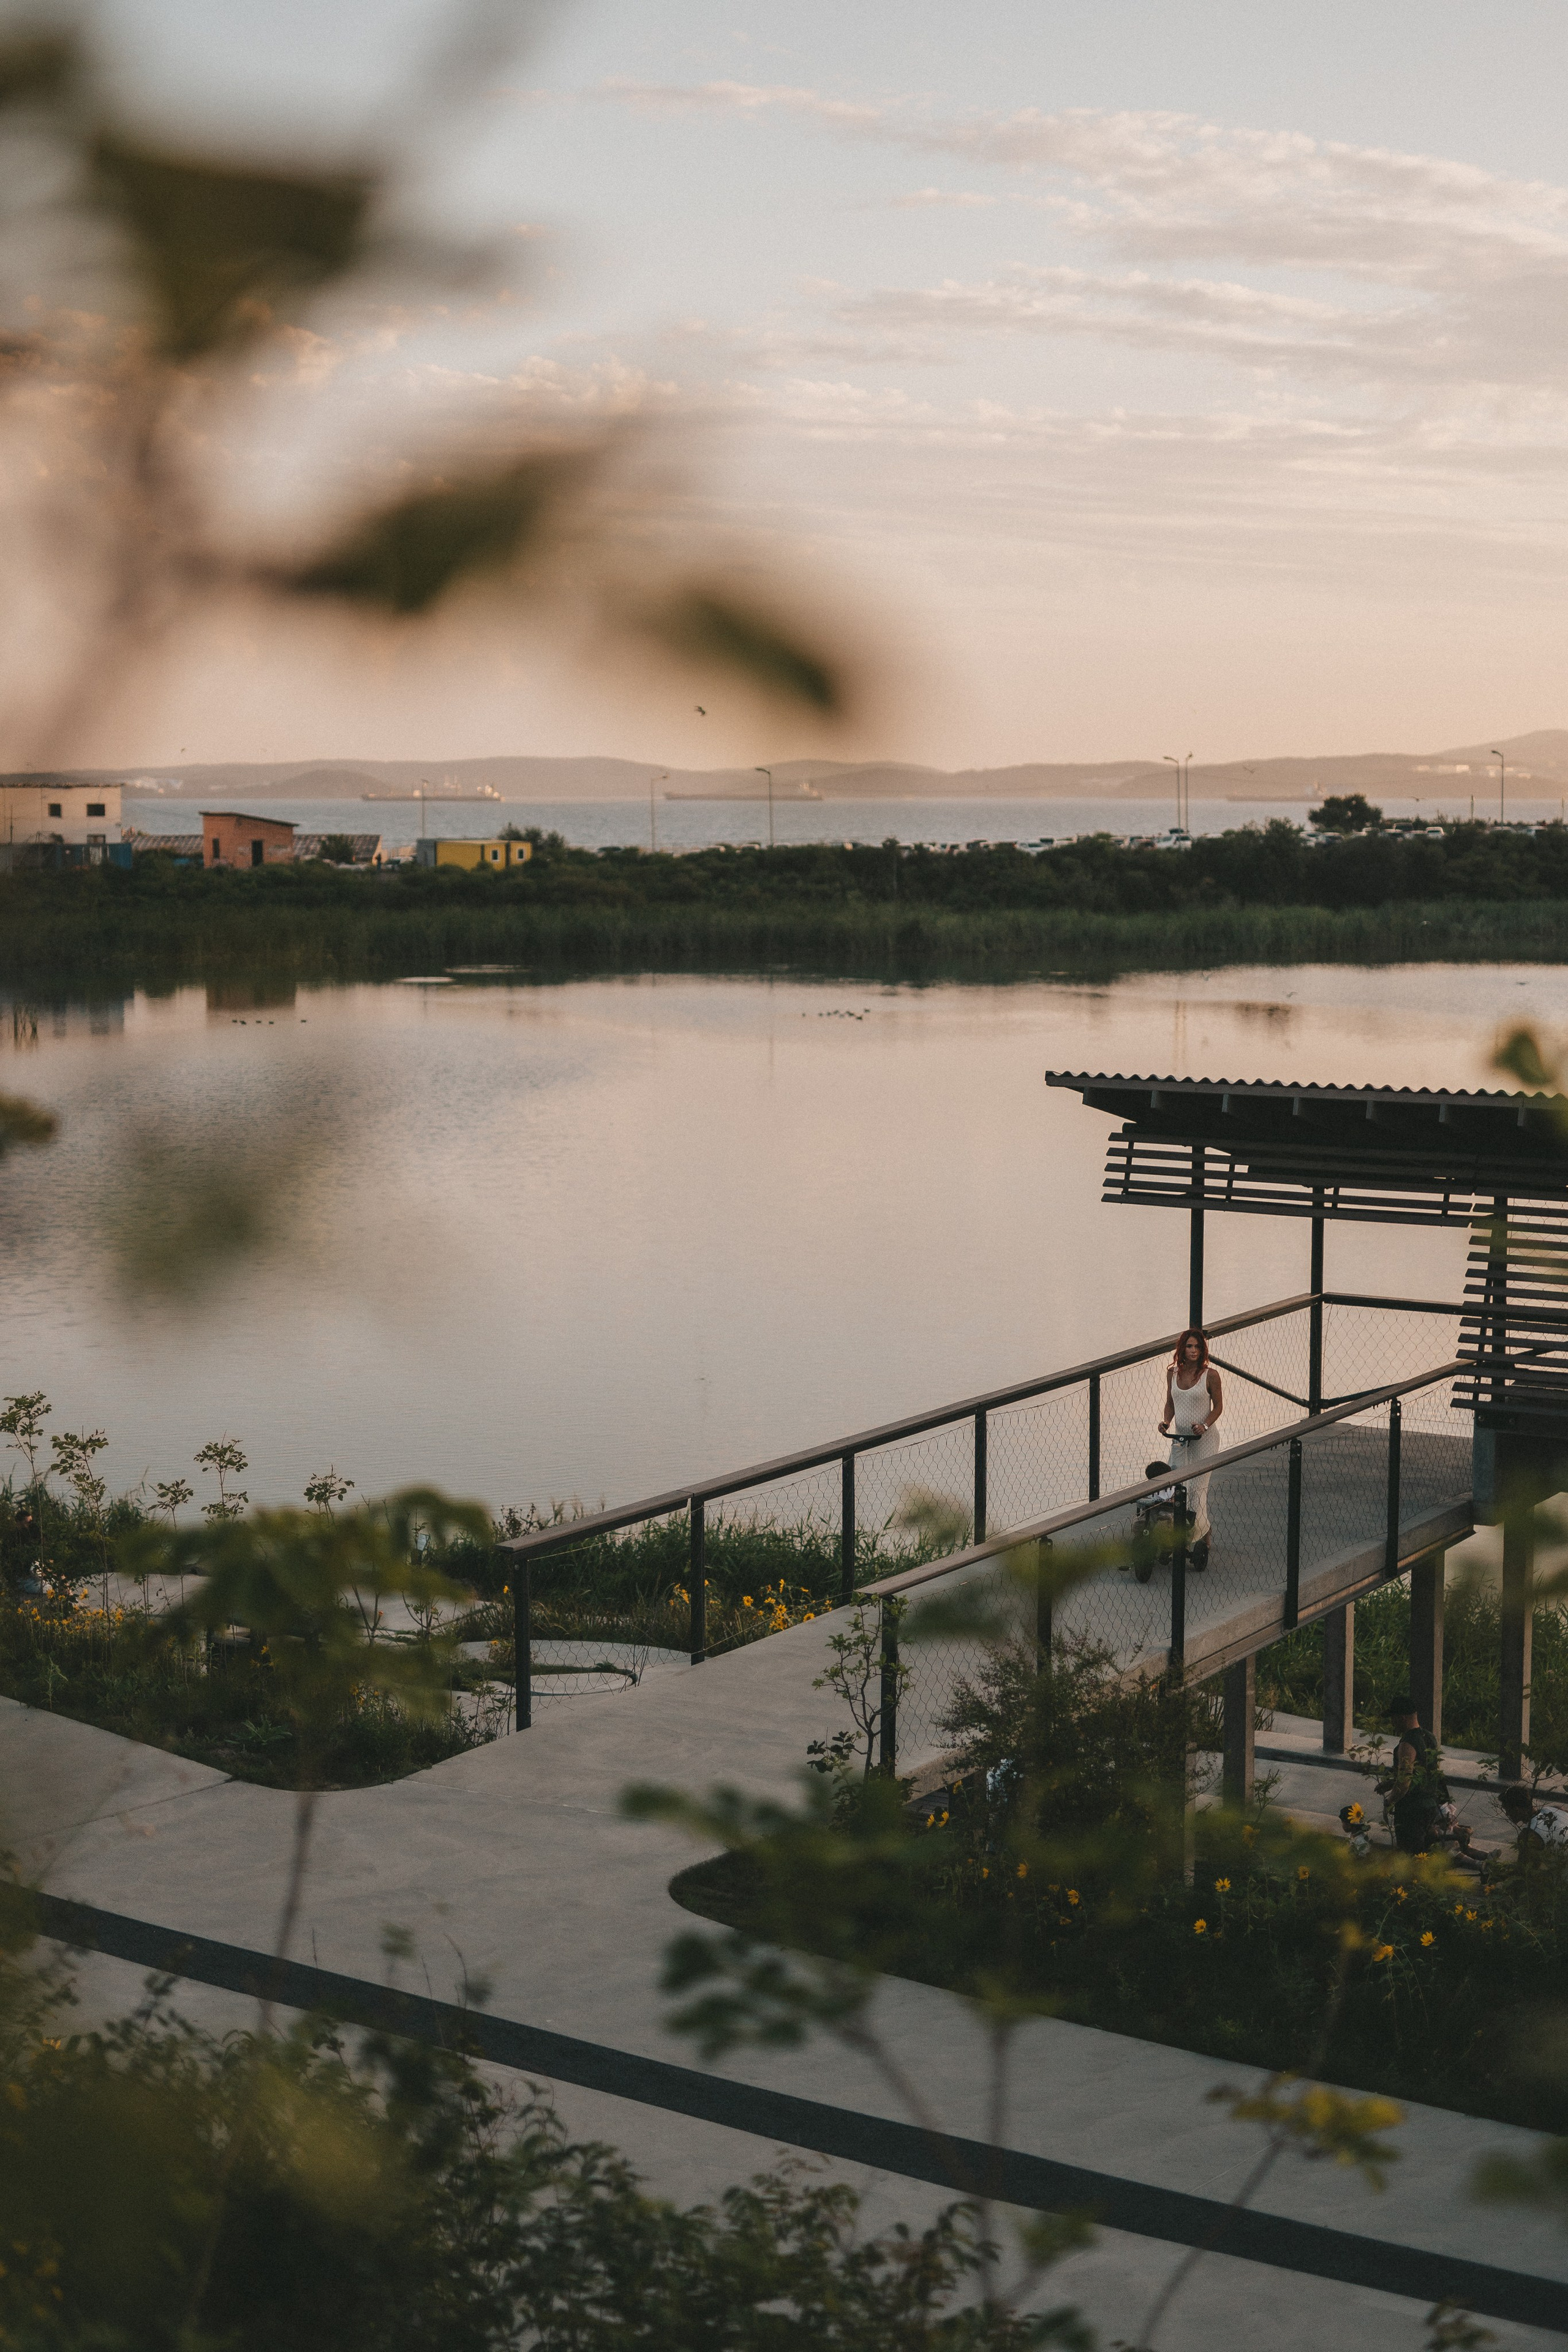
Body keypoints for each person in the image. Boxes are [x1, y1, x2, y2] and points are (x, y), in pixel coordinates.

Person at [1158, 1328, 1223, 1565]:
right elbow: (1170, 1403)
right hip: (1180, 1439)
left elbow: (1218, 1407)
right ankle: (1198, 1532)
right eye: (1189, 1347)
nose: (1194, 1351)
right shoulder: (1172, 1374)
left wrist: (1205, 1425)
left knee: (1196, 1490)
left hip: (1204, 1441)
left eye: (1198, 1347)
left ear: (1203, 1350)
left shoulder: (1211, 1376)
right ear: (1182, 1349)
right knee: (1176, 1488)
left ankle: (1189, 1539)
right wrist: (1166, 1422)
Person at [1379, 1697, 1449, 1853]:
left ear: (1402, 1718)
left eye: (1393, 1718)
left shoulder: (1407, 1744)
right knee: (1425, 1854)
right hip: (1429, 1807)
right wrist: (1390, 1783)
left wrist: (1390, 1801)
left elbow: (1405, 1781)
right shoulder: (1429, 1737)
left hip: (1411, 1812)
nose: (1392, 1723)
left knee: (1410, 1856)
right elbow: (1425, 1772)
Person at [1498, 1784, 1568, 1862]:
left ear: (1516, 1809)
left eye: (1507, 1810)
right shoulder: (1556, 1809)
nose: (1507, 1814)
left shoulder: (1528, 1835)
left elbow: (1525, 1870)